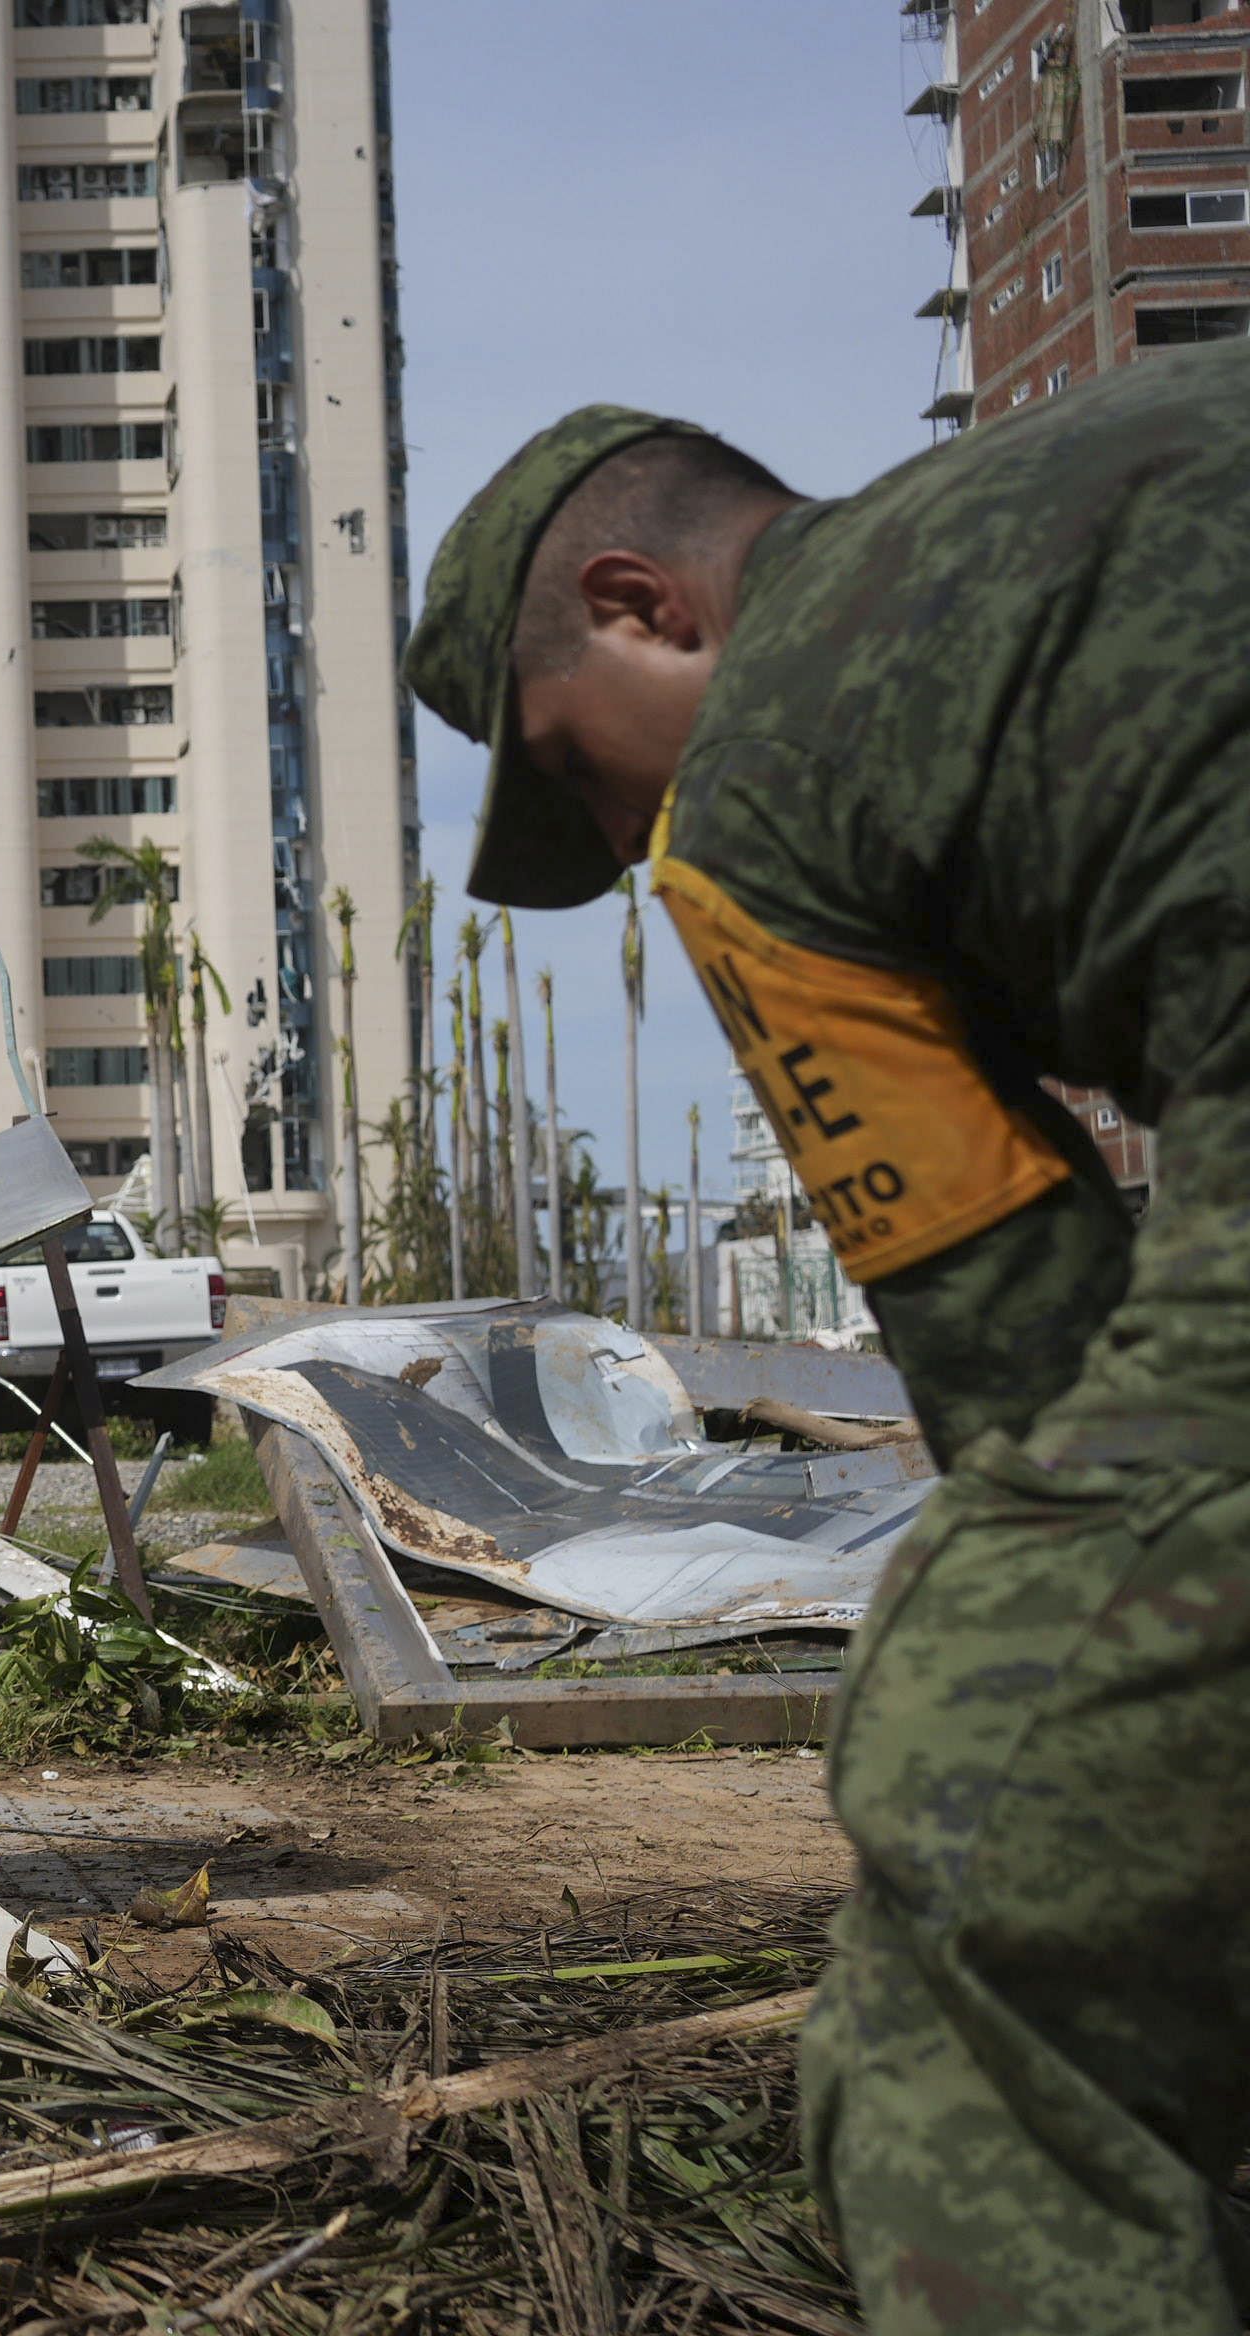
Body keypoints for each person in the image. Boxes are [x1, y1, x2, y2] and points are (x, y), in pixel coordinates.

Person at [404, 339, 1250, 2336]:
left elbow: (1020, 1347)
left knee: (974, 1848)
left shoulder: (754, 777)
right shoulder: (1142, 437)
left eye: (584, 772)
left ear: (647, 609)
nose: (625, 846)